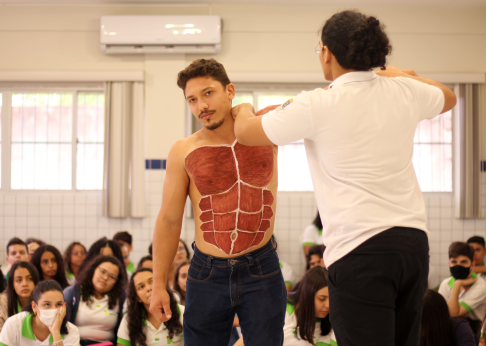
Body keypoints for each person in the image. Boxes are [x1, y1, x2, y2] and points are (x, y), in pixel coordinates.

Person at [232, 9, 456, 346]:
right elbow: (449, 97)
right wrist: (395, 74)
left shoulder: (318, 103)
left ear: (327, 52)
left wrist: (244, 108)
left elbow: (246, 132)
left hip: (360, 248)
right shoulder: (402, 91)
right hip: (412, 245)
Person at [150, 58, 286, 346]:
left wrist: (247, 111)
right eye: (192, 99)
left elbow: (320, 104)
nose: (201, 106)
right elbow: (169, 219)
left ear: (230, 91)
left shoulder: (268, 129)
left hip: (261, 266)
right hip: (207, 271)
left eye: (208, 93)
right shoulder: (183, 150)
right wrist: (157, 285)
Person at [64, 255, 127, 345]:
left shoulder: (121, 298)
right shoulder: (72, 293)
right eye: (102, 272)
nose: (105, 278)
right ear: (93, 269)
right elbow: (62, 327)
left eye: (112, 277)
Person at [117, 268, 184, 346]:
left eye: (152, 282)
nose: (148, 288)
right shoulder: (128, 320)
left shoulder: (182, 312)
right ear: (138, 298)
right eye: (141, 287)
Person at [0, 280, 80, 346]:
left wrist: (56, 333)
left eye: (59, 304)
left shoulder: (72, 331)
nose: (54, 309)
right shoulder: (14, 324)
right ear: (34, 307)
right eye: (47, 304)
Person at [439, 242, 486, 337]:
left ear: (472, 263)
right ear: (449, 263)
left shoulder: (480, 286)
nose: (458, 266)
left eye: (464, 262)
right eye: (454, 262)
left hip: (476, 332)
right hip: (451, 329)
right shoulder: (445, 283)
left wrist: (457, 284)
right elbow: (443, 314)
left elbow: (454, 315)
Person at [283, 266, 335, 346]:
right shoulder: (283, 308)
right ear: (307, 296)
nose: (328, 305)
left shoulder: (328, 320)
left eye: (332, 299)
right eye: (322, 299)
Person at [0, 262, 40, 331]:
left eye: (30, 279)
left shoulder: (44, 300)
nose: (24, 284)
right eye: (19, 280)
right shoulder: (2, 302)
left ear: (36, 282)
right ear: (12, 285)